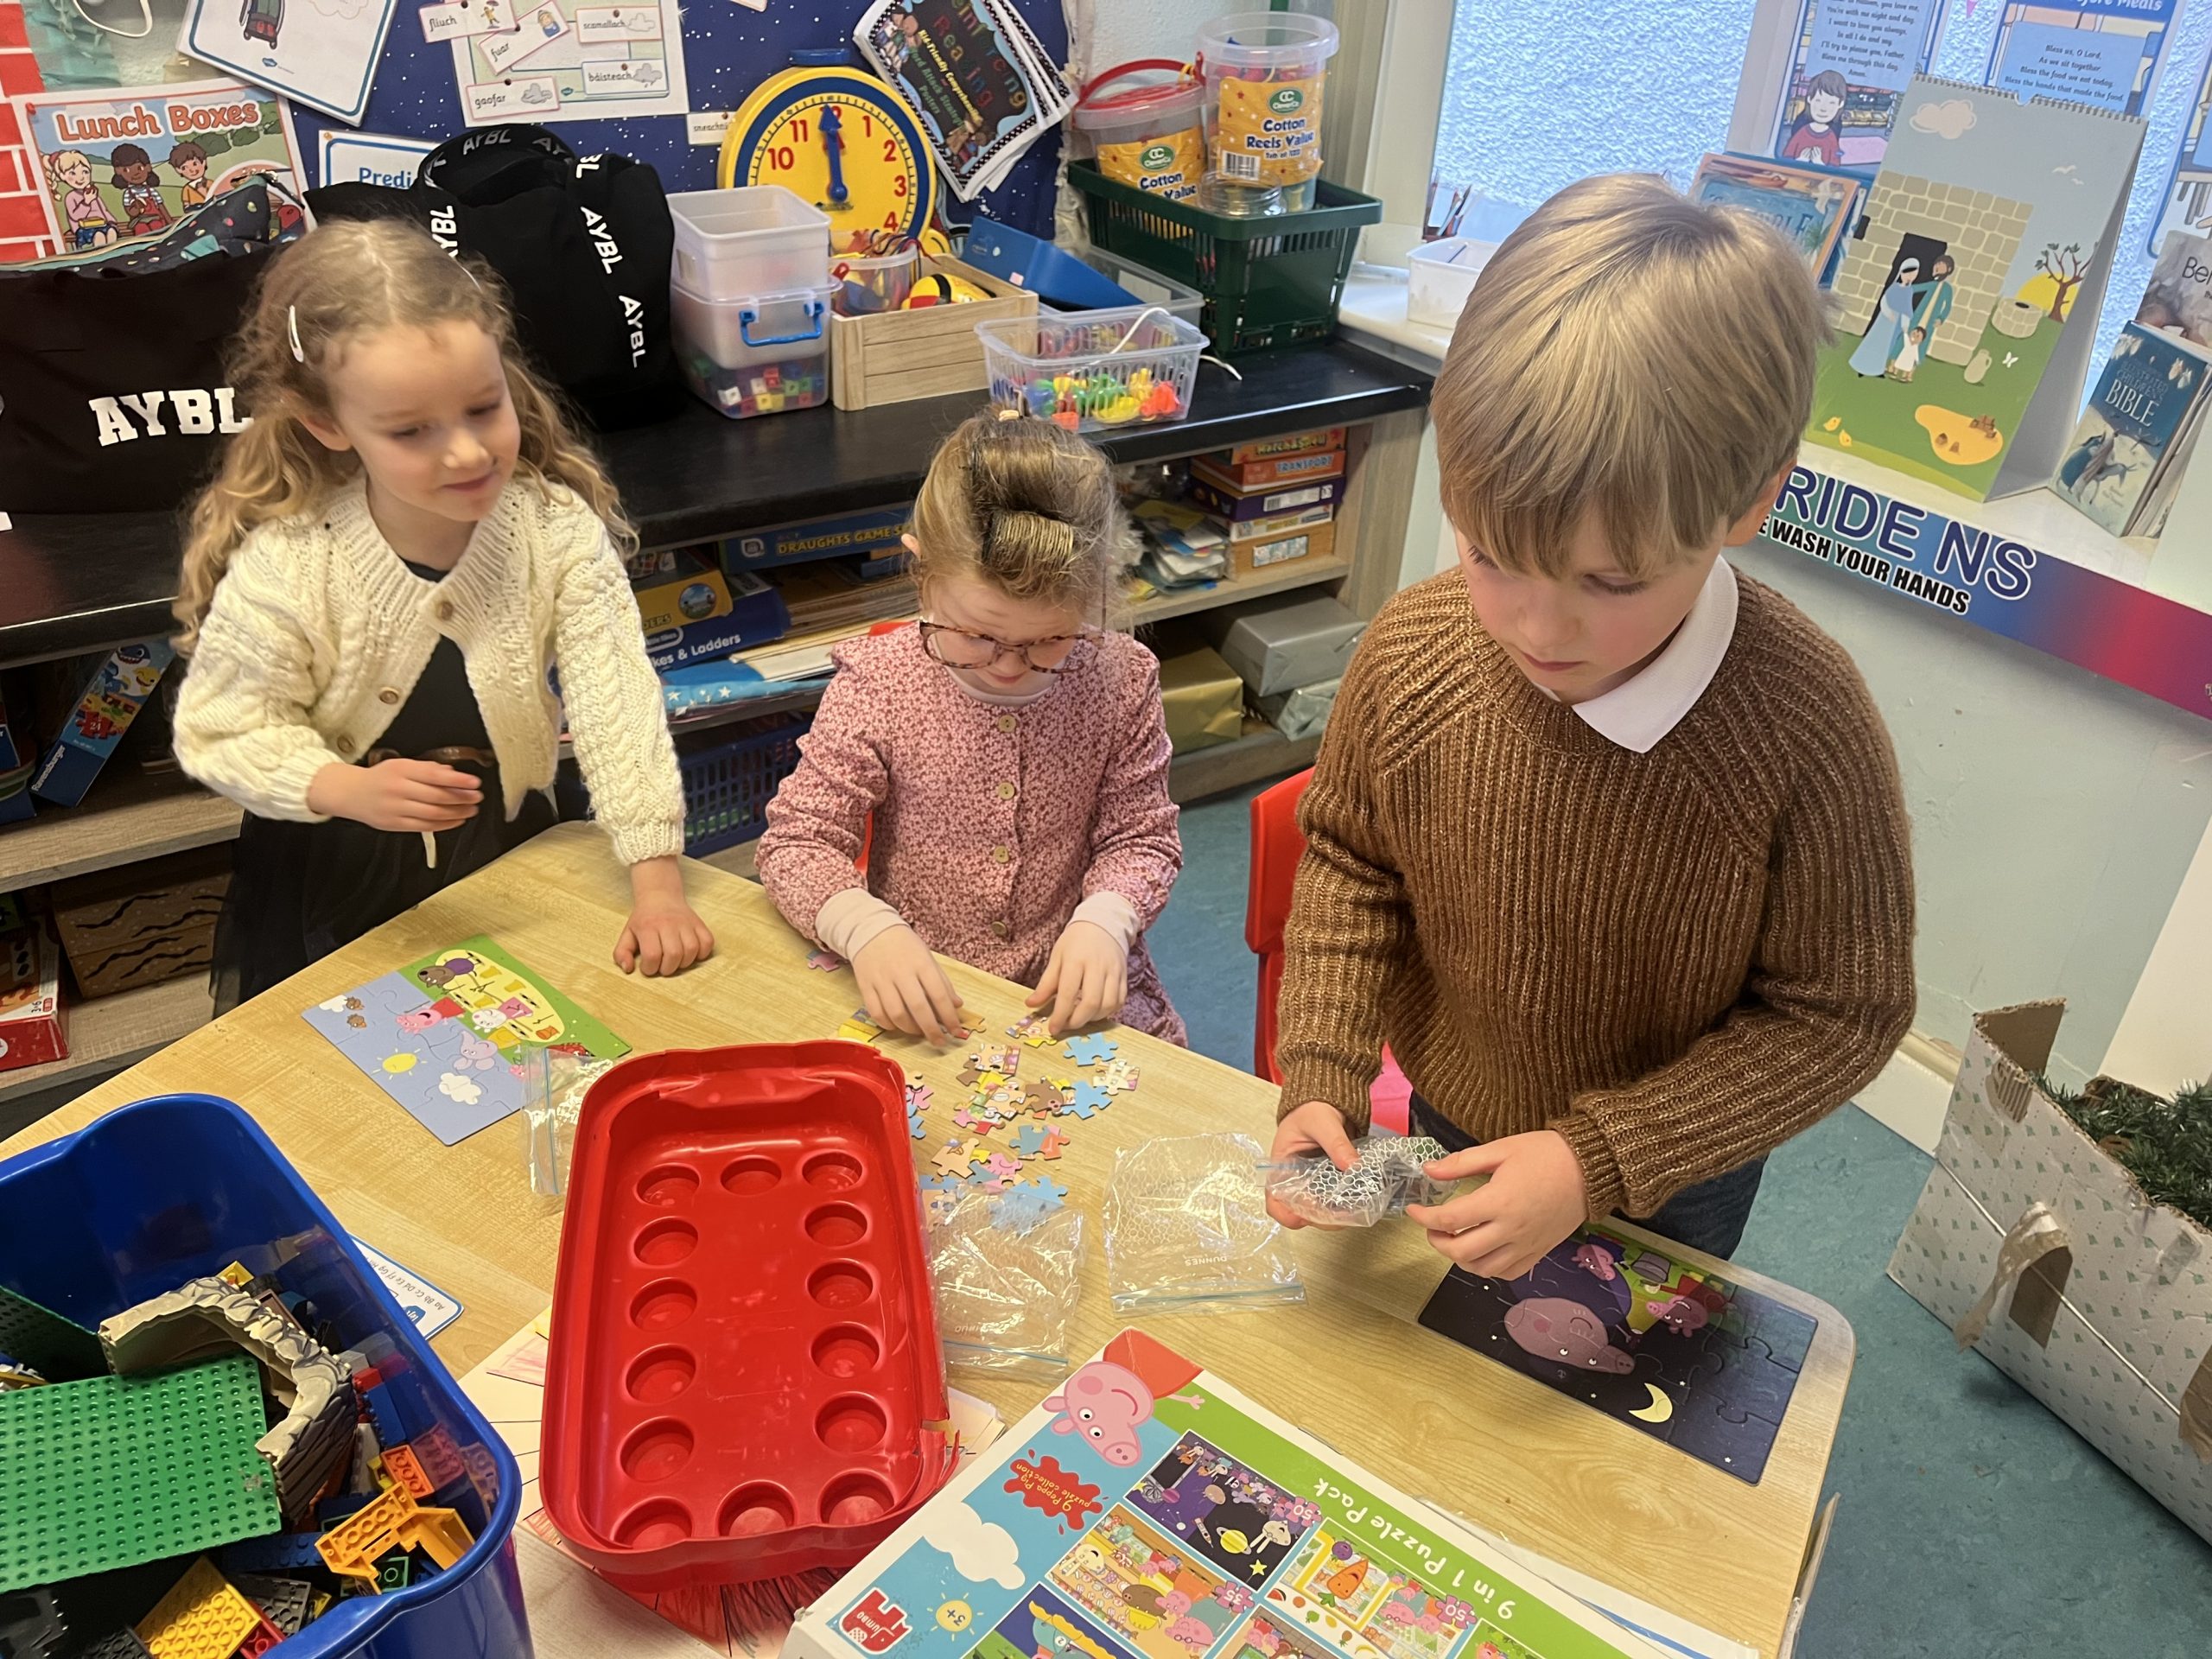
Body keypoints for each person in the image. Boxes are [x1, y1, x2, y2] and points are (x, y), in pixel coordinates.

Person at [1267, 174, 1915, 1271]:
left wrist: (1597, 1158)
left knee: (1634, 1357)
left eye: (1611, 582)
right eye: (1489, 555)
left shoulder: (1805, 725)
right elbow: (1352, 860)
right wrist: (1323, 1069)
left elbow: (1842, 1012)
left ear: (1754, 500)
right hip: (1453, 1109)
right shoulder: (1416, 653)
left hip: (1671, 1171)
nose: (1535, 627)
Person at [172, 218, 712, 1012]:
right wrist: (342, 786)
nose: (465, 453)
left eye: (484, 408)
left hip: (511, 844)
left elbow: (617, 702)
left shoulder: (555, 532)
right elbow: (220, 731)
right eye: (411, 431)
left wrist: (657, 882)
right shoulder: (291, 565)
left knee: (538, 1040)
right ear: (327, 424)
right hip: (339, 872)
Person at [758, 410, 1184, 1047]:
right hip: (924, 982)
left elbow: (1142, 837)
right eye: (976, 635)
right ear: (920, 569)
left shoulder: (1120, 677)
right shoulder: (880, 682)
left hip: (1075, 983)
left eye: (1051, 640)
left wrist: (1106, 920)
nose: (1008, 667)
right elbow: (797, 843)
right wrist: (866, 929)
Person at [1850, 256, 1920, 377]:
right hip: (1884, 320)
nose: (1909, 277)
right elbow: (1885, 301)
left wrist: (1905, 325)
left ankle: (1877, 368)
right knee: (1875, 341)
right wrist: (1888, 313)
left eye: (1913, 274)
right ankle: (1862, 366)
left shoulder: (1909, 291)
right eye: (1908, 274)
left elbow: (1906, 309)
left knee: (1886, 346)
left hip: (1895, 323)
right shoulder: (1894, 287)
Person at [1783, 69, 1847, 166]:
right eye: (1818, 101)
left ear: (1840, 104)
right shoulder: (1802, 130)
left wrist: (1819, 164)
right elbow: (1787, 157)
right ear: (1810, 99)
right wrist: (1800, 161)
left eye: (1831, 103)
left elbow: (1834, 165)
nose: (1823, 108)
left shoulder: (1832, 136)